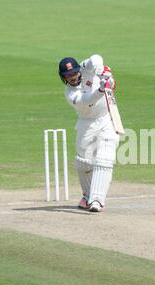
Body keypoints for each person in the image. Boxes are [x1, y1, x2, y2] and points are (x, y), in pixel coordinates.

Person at [58, 54, 119, 212]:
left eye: (74, 73)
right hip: (87, 123)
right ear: (63, 78)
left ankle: (97, 201)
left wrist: (100, 72)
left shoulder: (85, 68)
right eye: (68, 76)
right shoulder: (70, 94)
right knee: (83, 163)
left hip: (107, 118)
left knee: (105, 159)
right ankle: (87, 195)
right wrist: (101, 89)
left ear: (79, 70)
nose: (72, 77)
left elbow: (95, 57)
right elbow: (88, 100)